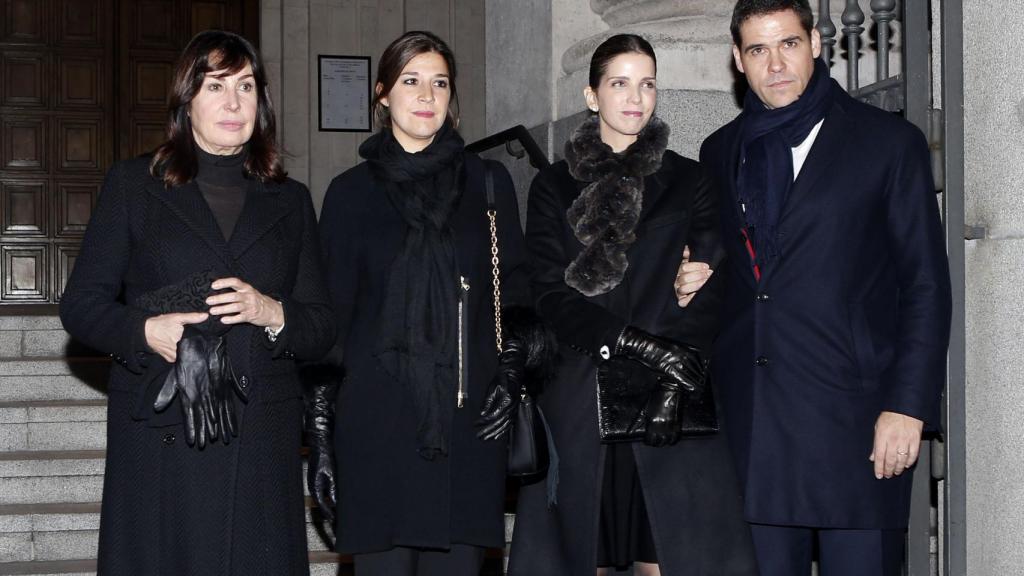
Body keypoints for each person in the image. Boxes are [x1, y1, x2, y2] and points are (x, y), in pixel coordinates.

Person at [684, 1, 953, 574]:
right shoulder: (719, 152)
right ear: (738, 59)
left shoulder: (886, 142)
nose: (775, 63)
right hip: (753, 428)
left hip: (854, 427)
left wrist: (907, 406)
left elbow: (925, 284)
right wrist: (700, 274)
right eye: (758, 49)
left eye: (788, 44)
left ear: (816, 44)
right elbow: (736, 271)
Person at [59, 30, 335, 576]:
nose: (233, 103)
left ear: (262, 102)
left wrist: (272, 312)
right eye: (215, 86)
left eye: (246, 86)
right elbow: (82, 305)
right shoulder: (135, 185)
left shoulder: (292, 199)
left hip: (262, 432)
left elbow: (322, 324)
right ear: (188, 100)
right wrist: (145, 332)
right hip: (164, 428)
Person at [507, 34, 758, 576]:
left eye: (647, 84)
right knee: (584, 555)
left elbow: (710, 283)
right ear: (592, 95)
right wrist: (632, 344)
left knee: (666, 555)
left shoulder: (689, 179)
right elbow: (548, 292)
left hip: (666, 400)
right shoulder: (552, 186)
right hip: (579, 393)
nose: (635, 98)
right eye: (619, 83)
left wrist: (672, 378)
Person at [310, 30, 545, 576]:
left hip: (469, 421)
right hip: (376, 422)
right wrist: (321, 433)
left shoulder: (489, 184)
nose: (426, 95)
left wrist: (512, 372)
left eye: (439, 82)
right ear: (382, 94)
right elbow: (331, 319)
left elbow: (517, 291)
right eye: (411, 81)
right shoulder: (349, 194)